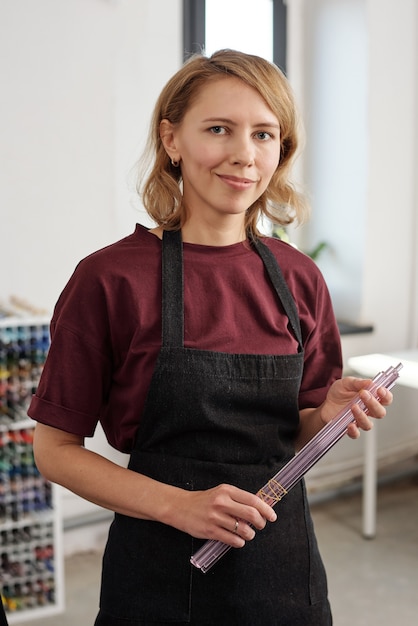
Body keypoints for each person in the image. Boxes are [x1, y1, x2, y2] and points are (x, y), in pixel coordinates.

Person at [29, 49, 392, 625]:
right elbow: (54, 451)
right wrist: (179, 506)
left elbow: (285, 439)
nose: (244, 155)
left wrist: (324, 417)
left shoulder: (299, 278)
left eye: (264, 134)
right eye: (219, 129)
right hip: (156, 578)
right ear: (171, 139)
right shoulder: (110, 278)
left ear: (282, 149)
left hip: (283, 577)